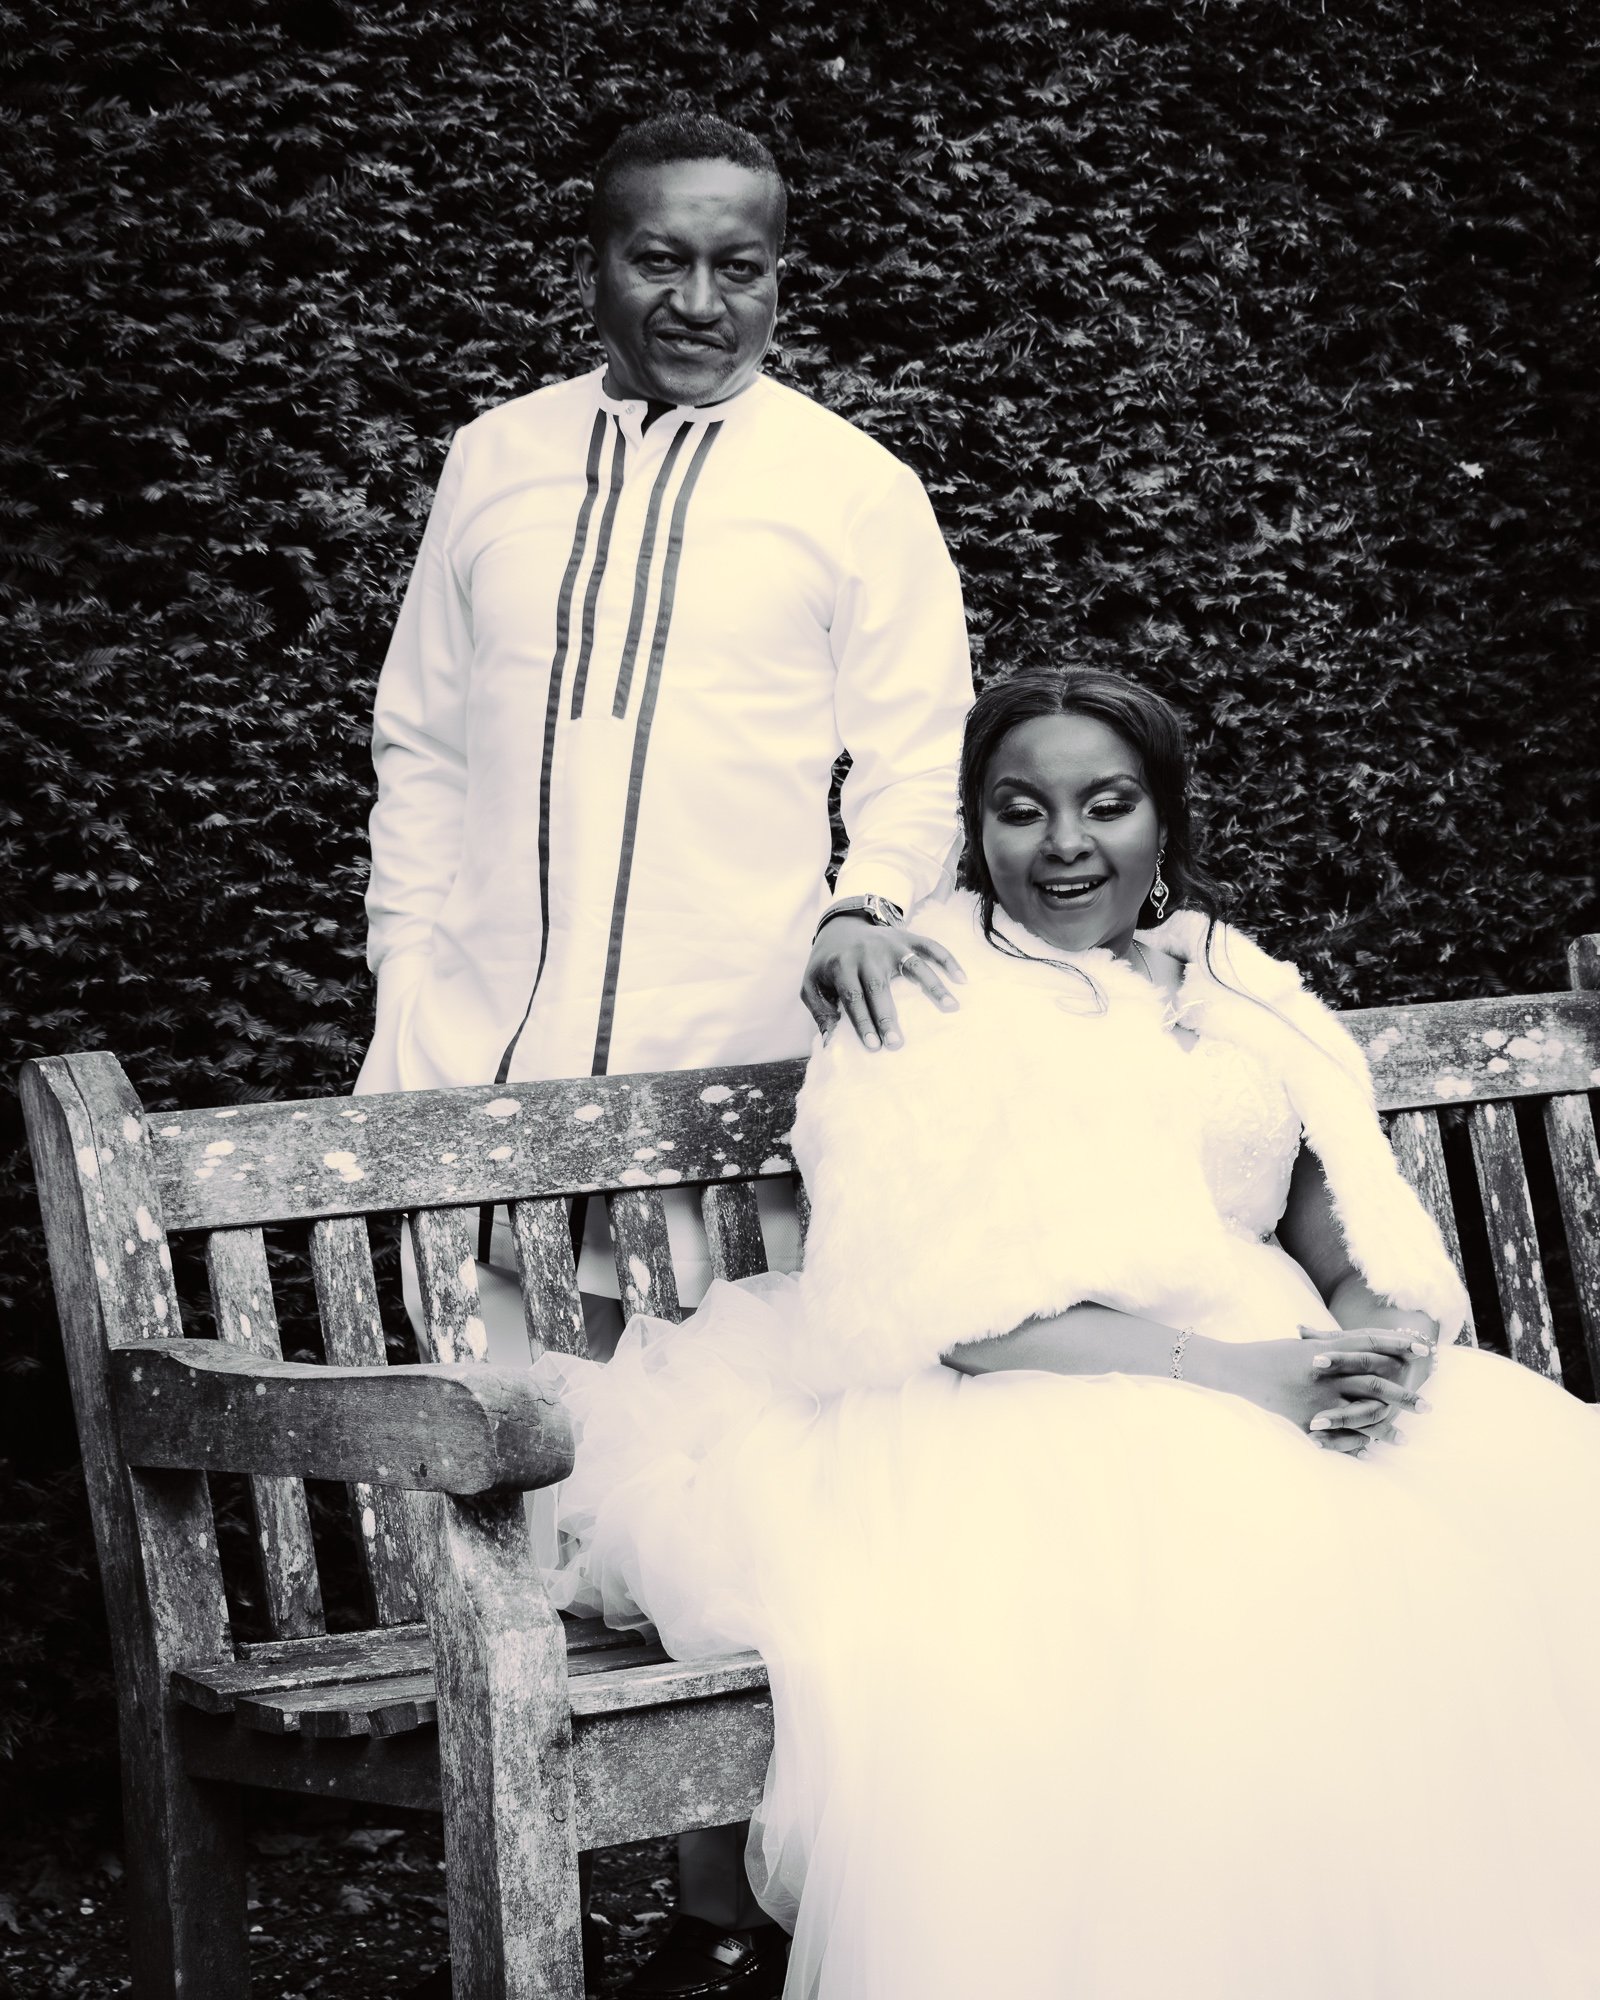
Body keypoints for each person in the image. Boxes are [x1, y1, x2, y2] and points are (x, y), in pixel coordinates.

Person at [534, 667, 1600, 1998]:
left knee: (1525, 1530)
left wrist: (1380, 1344)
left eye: (1107, 805)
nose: (1065, 846)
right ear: (975, 828)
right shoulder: (918, 994)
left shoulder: (1230, 980)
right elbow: (942, 1311)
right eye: (1020, 810)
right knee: (1237, 1582)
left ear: (1166, 822)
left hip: (1275, 1369)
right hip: (1015, 1396)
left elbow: (1340, 1207)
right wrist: (1245, 1377)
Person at [356, 112, 973, 1998]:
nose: (699, 300)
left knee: (727, 1500)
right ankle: (543, 1907)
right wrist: (409, 987)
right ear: (597, 258)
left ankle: (721, 1915)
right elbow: (422, 747)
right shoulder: (496, 462)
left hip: (728, 1098)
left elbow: (917, 765)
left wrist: (866, 911)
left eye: (742, 265)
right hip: (492, 1076)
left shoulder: (854, 487)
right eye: (658, 258)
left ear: (782, 275)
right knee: (528, 1489)